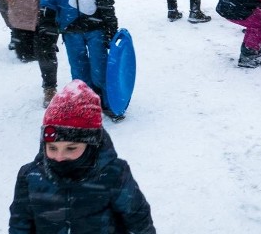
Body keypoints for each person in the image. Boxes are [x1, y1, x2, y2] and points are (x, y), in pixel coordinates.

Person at [9, 80, 156, 233]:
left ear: (91, 145)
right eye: (52, 148)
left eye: (71, 148)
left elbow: (138, 220)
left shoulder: (113, 173)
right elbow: (20, 224)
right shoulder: (30, 176)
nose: (59, 157)